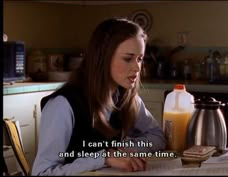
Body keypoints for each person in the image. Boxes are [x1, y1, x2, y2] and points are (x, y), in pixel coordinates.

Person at [32, 17, 166, 176]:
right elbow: (42, 173)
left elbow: (157, 136)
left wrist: (120, 151)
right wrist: (103, 157)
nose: (138, 68)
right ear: (103, 58)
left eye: (140, 59)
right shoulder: (62, 105)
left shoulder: (126, 97)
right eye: (128, 58)